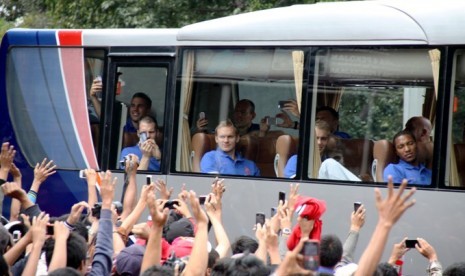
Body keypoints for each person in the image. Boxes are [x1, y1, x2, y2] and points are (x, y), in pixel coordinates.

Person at [89, 77, 153, 147]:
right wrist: (93, 96)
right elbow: (105, 118)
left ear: (148, 110)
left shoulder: (151, 128)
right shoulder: (122, 124)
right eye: (133, 105)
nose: (135, 109)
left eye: (140, 106)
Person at [196, 99, 269, 137]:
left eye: (243, 112)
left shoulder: (259, 129)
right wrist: (201, 130)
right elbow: (212, 137)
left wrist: (263, 132)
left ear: (253, 115)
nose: (238, 115)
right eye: (236, 111)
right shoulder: (228, 128)